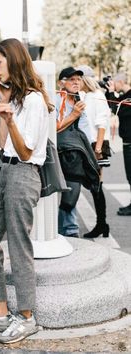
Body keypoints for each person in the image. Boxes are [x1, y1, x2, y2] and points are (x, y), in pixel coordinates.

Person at [0, 38, 53, 344]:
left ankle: (28, 318)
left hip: (24, 174)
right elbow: (4, 145)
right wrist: (5, 108)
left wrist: (10, 118)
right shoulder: (15, 99)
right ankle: (0, 312)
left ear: (14, 62)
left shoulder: (32, 101)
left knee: (19, 247)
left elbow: (27, 151)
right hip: (5, 171)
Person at [56, 67, 92, 238]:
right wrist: (74, 114)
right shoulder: (56, 101)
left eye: (78, 79)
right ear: (61, 83)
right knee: (61, 192)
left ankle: (69, 228)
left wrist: (93, 151)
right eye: (72, 79)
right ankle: (64, 229)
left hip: (75, 154)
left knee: (72, 190)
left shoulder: (79, 100)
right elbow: (53, 129)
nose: (76, 82)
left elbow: (85, 130)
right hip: (58, 153)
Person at [77, 65, 111, 238]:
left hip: (97, 144)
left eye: (78, 79)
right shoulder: (85, 96)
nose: (76, 82)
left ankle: (101, 224)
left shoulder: (97, 96)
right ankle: (102, 224)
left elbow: (102, 123)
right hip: (88, 144)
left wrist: (97, 148)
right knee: (93, 185)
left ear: (86, 79)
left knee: (96, 185)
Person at [106, 73, 131, 216]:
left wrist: (111, 92)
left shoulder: (129, 97)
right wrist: (109, 91)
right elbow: (113, 104)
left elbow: (116, 109)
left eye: (115, 83)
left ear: (120, 82)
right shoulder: (126, 95)